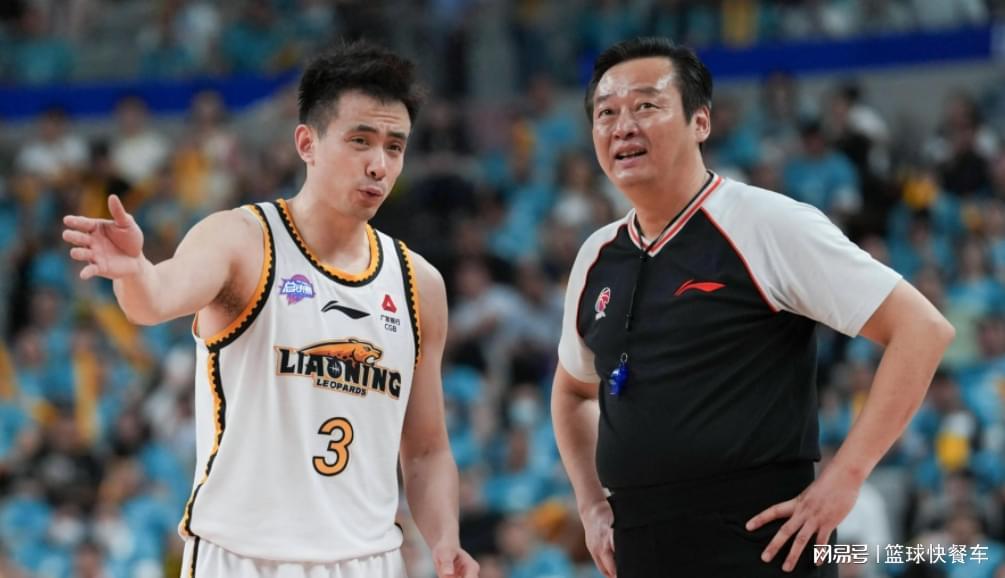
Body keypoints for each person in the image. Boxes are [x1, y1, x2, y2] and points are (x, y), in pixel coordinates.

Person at [62, 41, 478, 578]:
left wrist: (444, 539)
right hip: (242, 558)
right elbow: (157, 299)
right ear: (307, 143)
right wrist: (135, 271)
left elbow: (425, 450)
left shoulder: (419, 284)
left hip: (368, 561)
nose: (378, 164)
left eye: (394, 147)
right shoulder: (241, 239)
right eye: (360, 141)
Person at [551, 37, 955, 578]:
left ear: (700, 121)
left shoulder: (766, 223)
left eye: (646, 105)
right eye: (606, 113)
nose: (623, 126)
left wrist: (846, 477)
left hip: (763, 541)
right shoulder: (596, 255)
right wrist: (590, 503)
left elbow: (921, 329)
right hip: (641, 544)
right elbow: (573, 390)